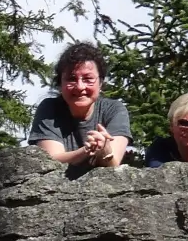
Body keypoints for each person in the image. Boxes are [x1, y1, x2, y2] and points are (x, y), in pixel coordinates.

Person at [27, 42, 130, 177]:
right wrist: (87, 150)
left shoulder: (114, 110)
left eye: (88, 79)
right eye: (71, 79)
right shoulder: (49, 109)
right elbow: (51, 161)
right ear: (60, 84)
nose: (80, 86)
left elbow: (113, 165)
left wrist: (104, 150)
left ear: (101, 83)